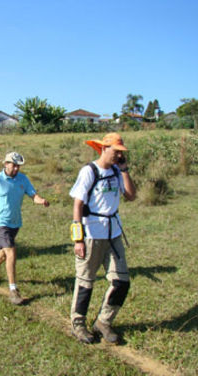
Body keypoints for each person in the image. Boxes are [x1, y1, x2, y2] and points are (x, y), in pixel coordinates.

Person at [69, 133, 136, 344]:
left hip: (113, 233)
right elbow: (77, 205)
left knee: (121, 281)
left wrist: (124, 170)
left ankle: (103, 322)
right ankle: (78, 324)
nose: (118, 155)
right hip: (91, 234)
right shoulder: (89, 171)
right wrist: (78, 240)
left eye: (121, 152)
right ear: (103, 149)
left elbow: (131, 195)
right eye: (116, 151)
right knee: (85, 282)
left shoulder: (117, 171)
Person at [0, 152, 49, 305]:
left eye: (18, 166)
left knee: (2, 255)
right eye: (13, 165)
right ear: (5, 164)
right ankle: (13, 290)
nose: (16, 169)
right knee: (11, 252)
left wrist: (41, 201)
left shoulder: (23, 179)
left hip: (14, 223)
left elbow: (33, 196)